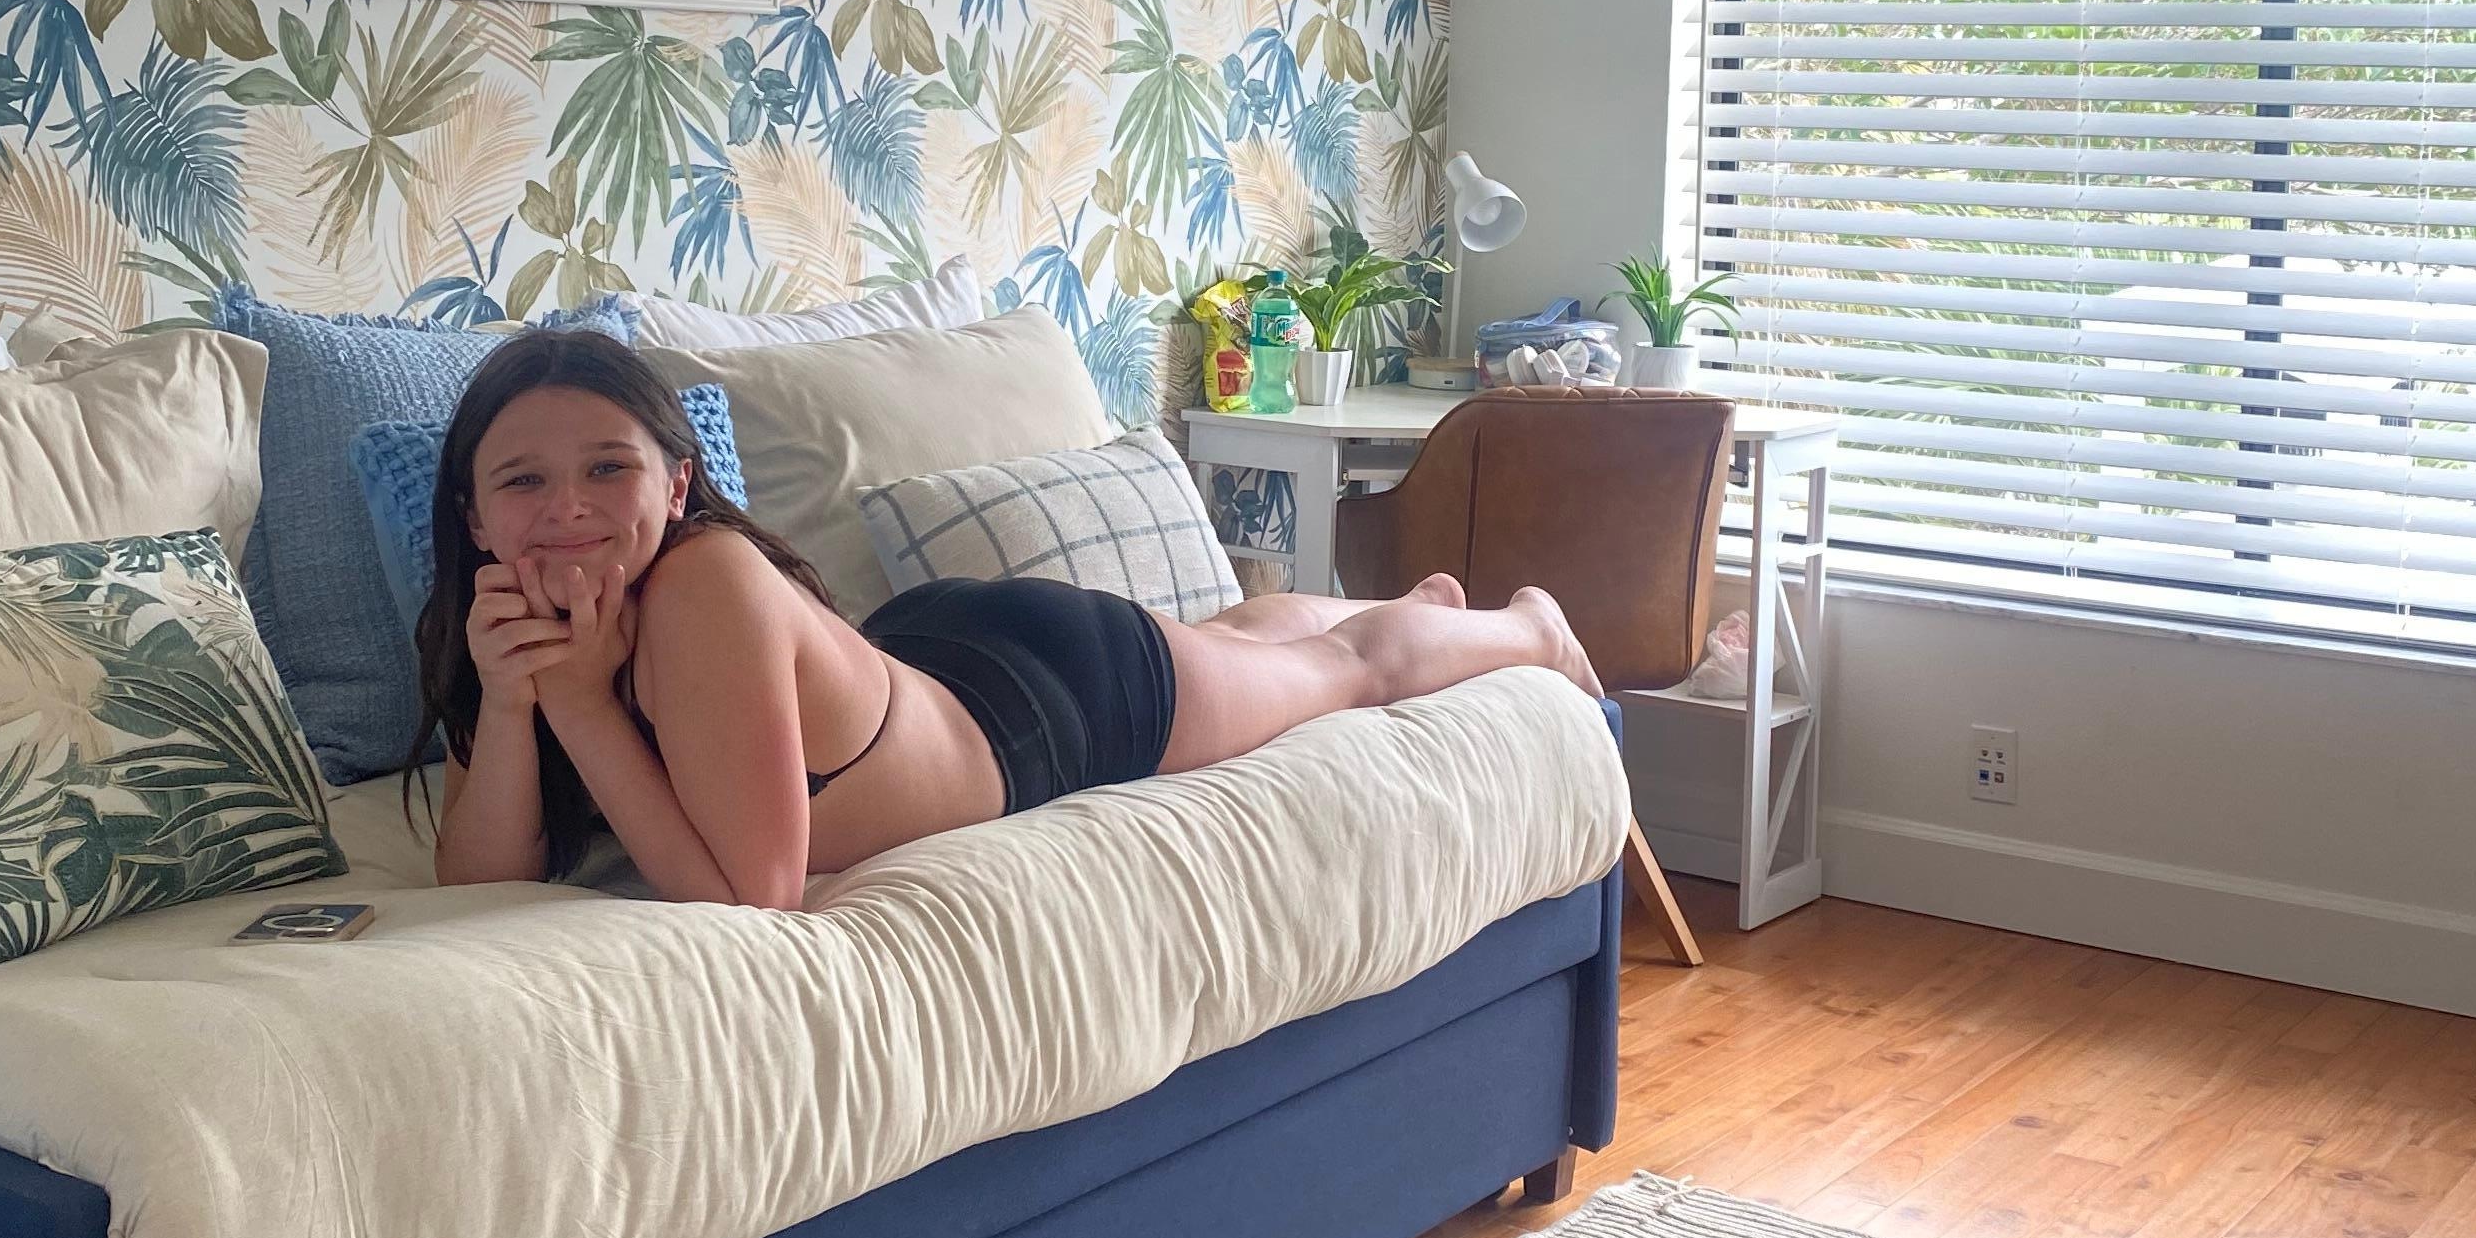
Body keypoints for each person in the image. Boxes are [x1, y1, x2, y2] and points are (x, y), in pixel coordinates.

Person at [418, 329, 1598, 911]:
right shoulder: (512, 621)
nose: (567, 511)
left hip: (1043, 699)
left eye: (608, 469)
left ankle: (1527, 628)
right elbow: (476, 879)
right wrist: (518, 702)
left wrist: (584, 706)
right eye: (522, 481)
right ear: (474, 515)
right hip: (921, 655)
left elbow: (757, 895)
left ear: (677, 487)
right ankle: (1418, 605)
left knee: (1344, 671)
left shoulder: (703, 582)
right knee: (1241, 640)